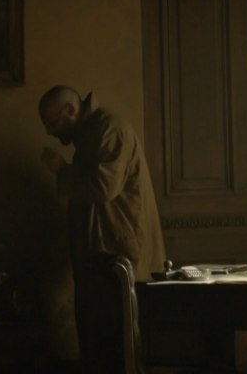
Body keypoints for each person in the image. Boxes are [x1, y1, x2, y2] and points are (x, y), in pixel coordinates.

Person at [38, 85, 167, 367]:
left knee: (117, 346)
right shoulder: (93, 134)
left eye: (52, 123)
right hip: (105, 257)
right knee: (103, 344)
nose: (50, 132)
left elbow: (102, 188)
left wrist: (61, 170)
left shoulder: (109, 130)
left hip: (117, 258)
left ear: (71, 110)